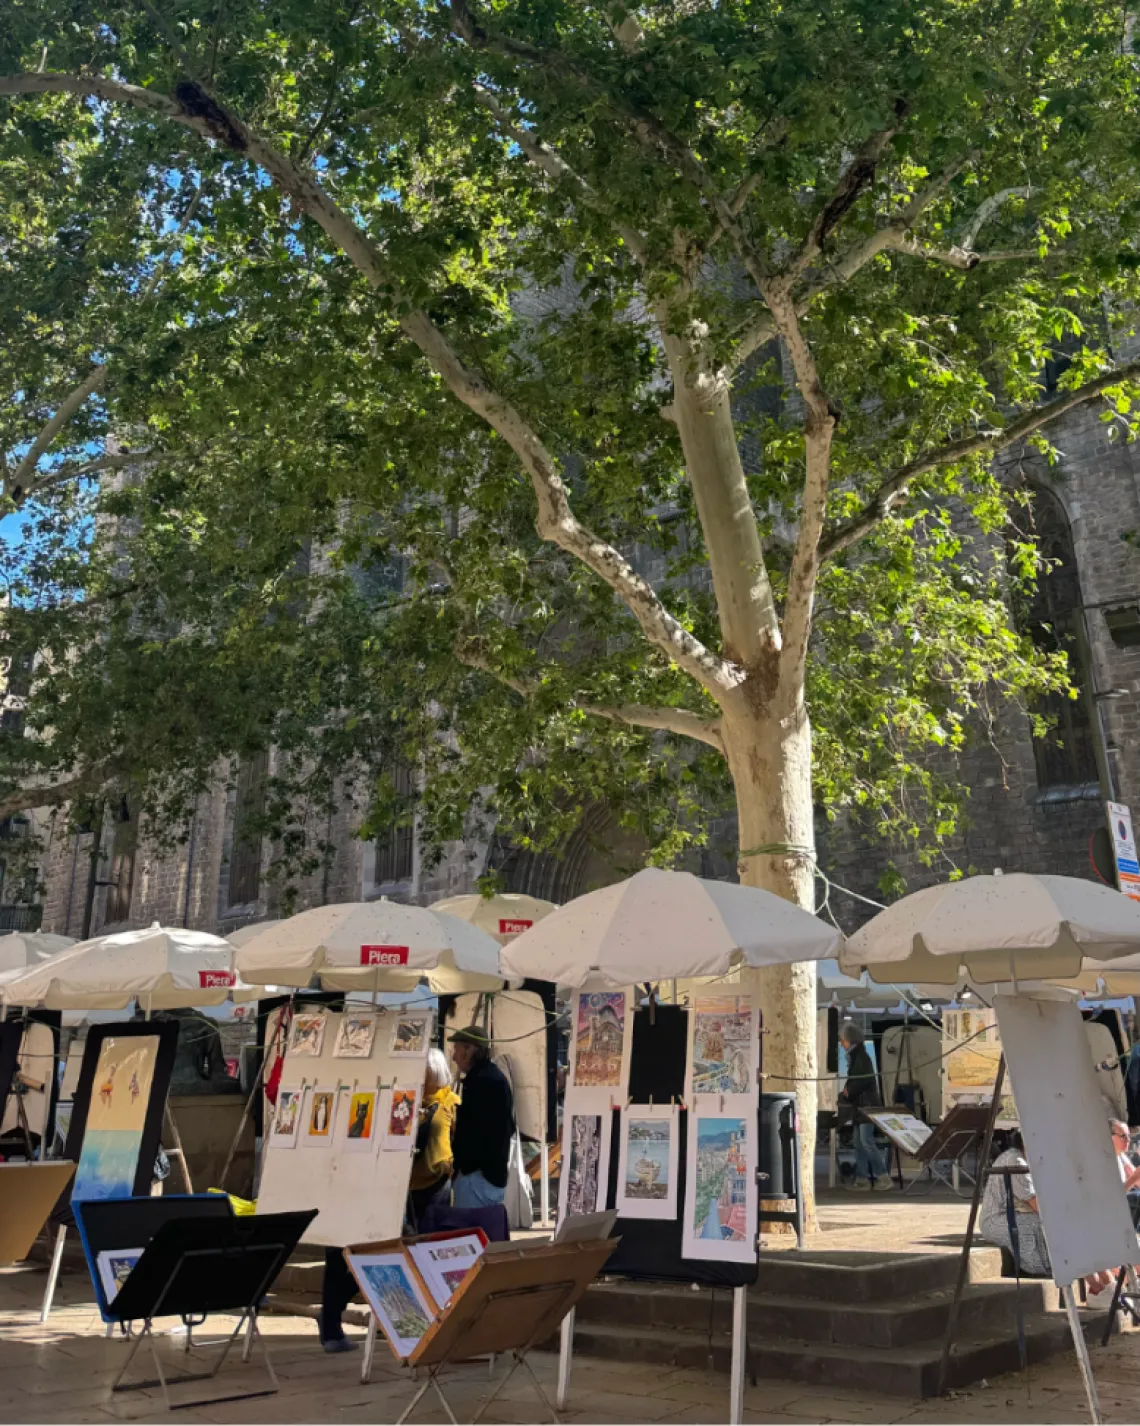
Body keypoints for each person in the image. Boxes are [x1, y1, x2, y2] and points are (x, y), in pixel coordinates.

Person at [448, 1025, 514, 1208]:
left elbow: (475, 1132)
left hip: (478, 1176)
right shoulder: (488, 1077)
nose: (454, 1057)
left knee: (471, 1232)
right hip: (486, 1174)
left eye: (457, 1050)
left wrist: (463, 1164)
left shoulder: (483, 1081)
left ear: (470, 1050)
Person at [979, 1135, 1051, 1276]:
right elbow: (1036, 1204)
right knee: (1038, 1222)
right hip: (996, 1219)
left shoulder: (1025, 1159)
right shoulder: (1015, 1160)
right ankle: (1037, 1268)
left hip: (1015, 1214)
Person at [408, 1048, 461, 1226]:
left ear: (435, 1072)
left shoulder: (451, 1101)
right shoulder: (409, 1101)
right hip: (410, 1182)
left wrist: (452, 1165)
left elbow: (461, 1137)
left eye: (424, 1071)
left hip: (437, 1181)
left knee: (432, 1233)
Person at [838, 1023, 891, 1192]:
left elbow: (861, 1081)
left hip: (866, 1108)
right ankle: (862, 1179)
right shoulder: (858, 1056)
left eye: (842, 1040)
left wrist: (848, 1090)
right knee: (859, 1143)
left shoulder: (859, 1057)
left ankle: (883, 1177)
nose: (841, 1044)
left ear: (849, 1040)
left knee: (866, 1142)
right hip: (861, 1108)